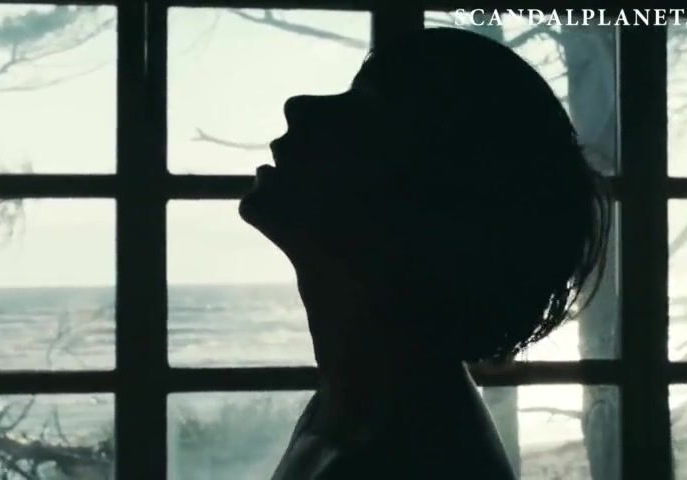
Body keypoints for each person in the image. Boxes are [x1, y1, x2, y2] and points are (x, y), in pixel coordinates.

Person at [239, 27, 610, 479]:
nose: (299, 105)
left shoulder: (392, 452)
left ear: (424, 202)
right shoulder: (362, 406)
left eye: (367, 106)